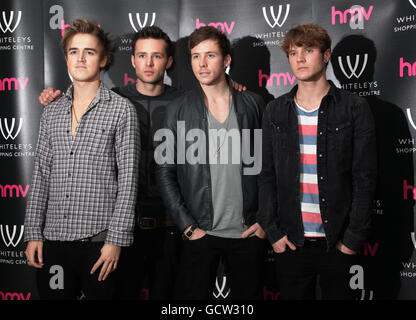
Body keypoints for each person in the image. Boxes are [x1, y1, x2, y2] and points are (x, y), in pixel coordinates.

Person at [38, 26, 247, 300]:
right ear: (133, 60)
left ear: (169, 62)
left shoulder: (188, 101)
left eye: (157, 56)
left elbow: (222, 98)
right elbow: (79, 100)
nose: (149, 64)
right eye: (142, 56)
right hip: (125, 226)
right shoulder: (113, 101)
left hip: (174, 224)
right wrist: (55, 97)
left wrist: (235, 88)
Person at [258, 23, 377, 300]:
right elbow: (266, 175)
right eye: (292, 52)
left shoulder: (354, 107)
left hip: (336, 243)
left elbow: (364, 178)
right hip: (290, 243)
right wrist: (273, 233)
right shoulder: (275, 111)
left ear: (326, 56)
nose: (299, 58)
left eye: (308, 50)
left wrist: (351, 240)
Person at [24, 19, 140, 300]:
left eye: (89, 51)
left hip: (98, 242)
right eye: (74, 51)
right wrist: (32, 233)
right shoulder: (51, 112)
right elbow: (41, 174)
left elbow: (128, 179)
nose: (81, 58)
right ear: (65, 58)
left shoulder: (122, 110)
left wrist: (115, 240)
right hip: (53, 240)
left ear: (103, 60)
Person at [155, 26, 266, 300]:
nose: (202, 64)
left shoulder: (254, 104)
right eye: (195, 56)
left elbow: (270, 168)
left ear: (226, 60)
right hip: (200, 233)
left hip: (247, 234)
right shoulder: (177, 109)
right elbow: (164, 170)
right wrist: (188, 226)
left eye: (210, 55)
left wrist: (265, 221)